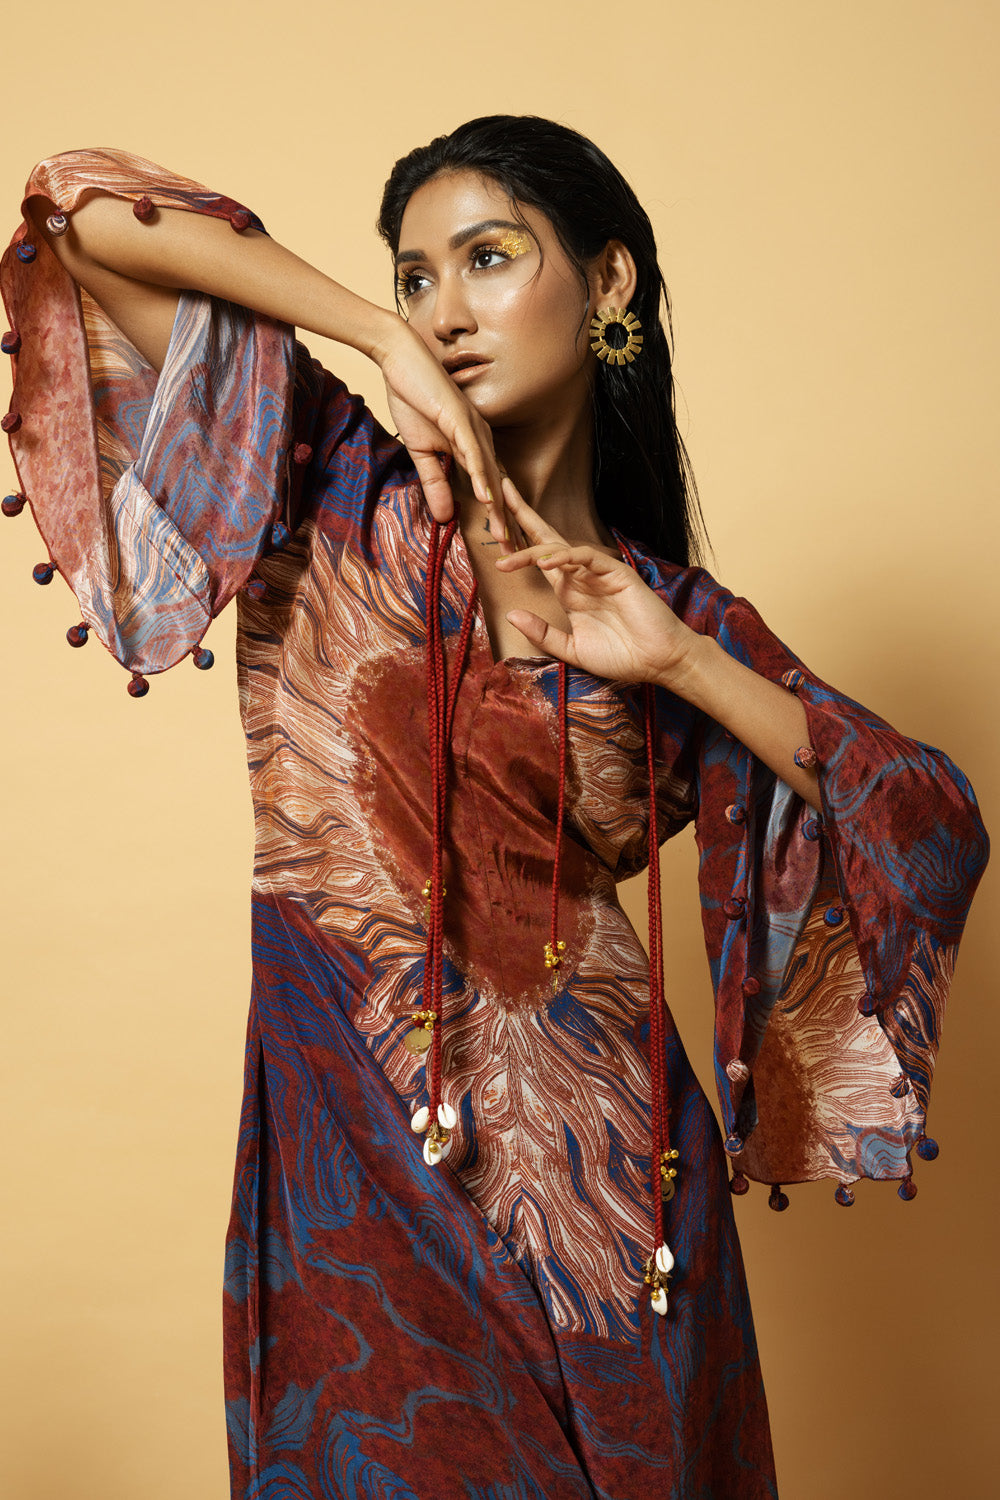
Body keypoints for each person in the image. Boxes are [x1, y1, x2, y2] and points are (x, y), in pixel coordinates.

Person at [1, 116, 988, 1498]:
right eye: (416, 277)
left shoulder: (670, 614)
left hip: (612, 1210)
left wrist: (683, 664)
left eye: (488, 258)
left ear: (609, 283)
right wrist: (368, 337)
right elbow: (76, 209)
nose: (446, 310)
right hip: (360, 1187)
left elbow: (925, 820)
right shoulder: (327, 482)